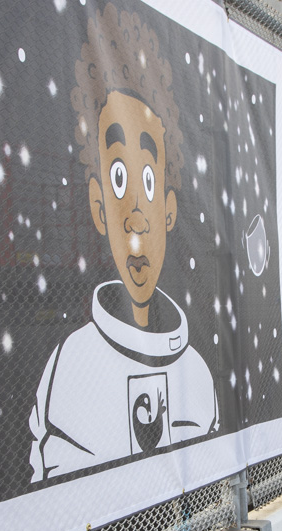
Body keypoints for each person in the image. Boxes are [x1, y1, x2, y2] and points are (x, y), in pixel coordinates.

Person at [29, 3, 217, 481]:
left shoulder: (196, 374)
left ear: (170, 210)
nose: (135, 211)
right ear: (97, 206)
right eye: (118, 179)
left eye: (148, 183)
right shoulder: (70, 369)